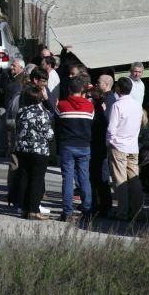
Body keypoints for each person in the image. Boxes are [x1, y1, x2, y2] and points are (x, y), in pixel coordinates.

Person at [56, 75, 94, 221]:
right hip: (84, 145)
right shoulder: (89, 106)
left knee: (67, 178)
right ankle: (87, 209)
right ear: (83, 89)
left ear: (69, 89)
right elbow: (91, 122)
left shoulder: (62, 105)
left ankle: (67, 211)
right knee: (84, 178)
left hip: (67, 145)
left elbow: (57, 122)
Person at [14, 85, 54, 219]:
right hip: (39, 151)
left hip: (23, 149)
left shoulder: (21, 111)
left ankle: (24, 208)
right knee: (36, 180)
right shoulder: (43, 113)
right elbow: (49, 134)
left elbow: (18, 127)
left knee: (24, 178)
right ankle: (34, 210)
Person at [107, 77, 144, 221]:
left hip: (118, 145)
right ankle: (136, 210)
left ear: (117, 89)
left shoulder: (117, 105)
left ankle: (121, 212)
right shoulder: (137, 105)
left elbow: (111, 128)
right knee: (134, 179)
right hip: (133, 146)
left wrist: (110, 142)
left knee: (120, 180)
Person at [89, 75, 116, 217]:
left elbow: (108, 122)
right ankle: (99, 205)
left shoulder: (109, 100)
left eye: (98, 82)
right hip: (97, 142)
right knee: (96, 176)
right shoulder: (102, 99)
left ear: (105, 84)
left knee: (101, 176)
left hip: (100, 143)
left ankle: (104, 206)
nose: (96, 84)